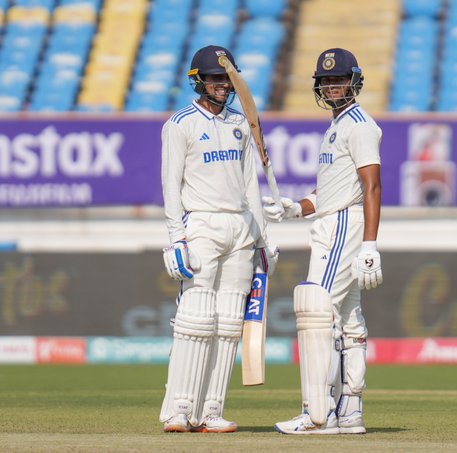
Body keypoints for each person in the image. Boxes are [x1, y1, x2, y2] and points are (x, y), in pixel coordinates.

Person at [263, 48, 383, 435]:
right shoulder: (336, 127)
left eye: (339, 79)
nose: (333, 86)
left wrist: (369, 244)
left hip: (344, 226)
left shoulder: (359, 125)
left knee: (317, 313)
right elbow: (329, 191)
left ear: (355, 81)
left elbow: (372, 186)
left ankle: (318, 414)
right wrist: (295, 208)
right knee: (348, 322)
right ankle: (349, 412)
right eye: (326, 81)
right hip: (334, 219)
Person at [159, 45, 278, 434]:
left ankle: (211, 410)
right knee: (195, 319)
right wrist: (177, 238)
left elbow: (250, 186)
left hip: (240, 228)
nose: (223, 85)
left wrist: (262, 239)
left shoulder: (240, 123)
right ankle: (179, 408)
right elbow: (170, 186)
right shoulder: (180, 124)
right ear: (199, 81)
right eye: (215, 79)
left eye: (228, 79)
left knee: (228, 323)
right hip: (202, 225)